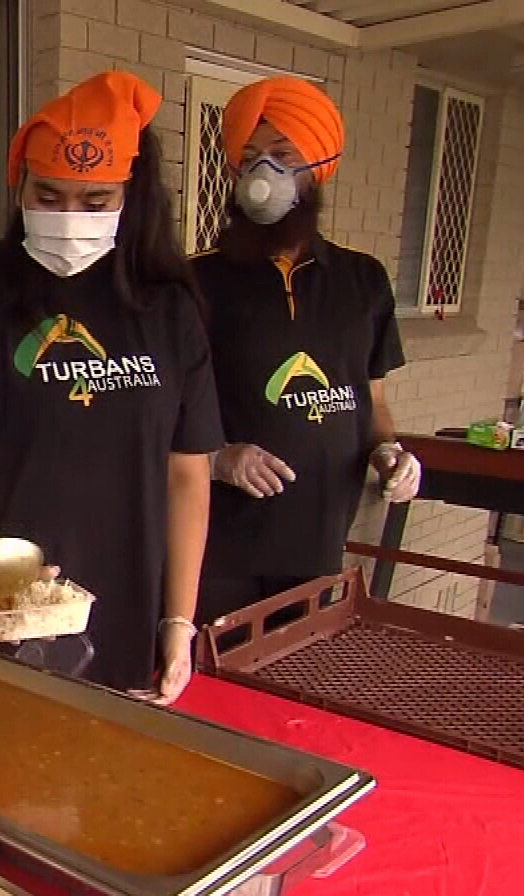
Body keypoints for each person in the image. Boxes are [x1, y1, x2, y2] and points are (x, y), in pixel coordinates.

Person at [0, 72, 221, 702]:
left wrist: (179, 623)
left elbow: (187, 476)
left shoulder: (167, 310)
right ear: (18, 186)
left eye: (95, 202)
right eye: (48, 196)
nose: (68, 219)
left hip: (125, 626)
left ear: (129, 200)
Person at [189, 77, 420, 624]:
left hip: (318, 540)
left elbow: (372, 399)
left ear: (318, 168)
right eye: (249, 157)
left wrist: (389, 453)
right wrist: (219, 459)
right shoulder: (197, 282)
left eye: (282, 155)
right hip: (221, 546)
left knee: (292, 679)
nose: (262, 172)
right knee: (209, 683)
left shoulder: (363, 280)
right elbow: (161, 409)